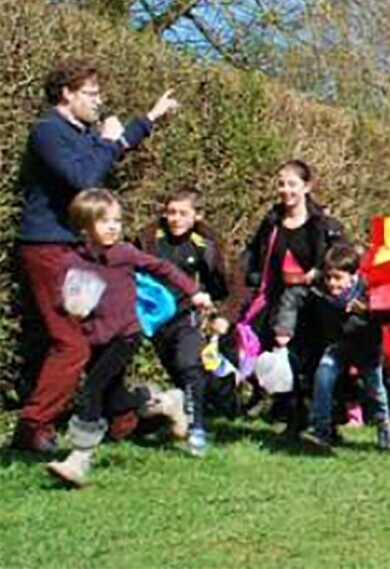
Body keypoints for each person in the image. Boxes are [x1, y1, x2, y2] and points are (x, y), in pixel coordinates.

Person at [12, 60, 180, 454]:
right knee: (71, 342)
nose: (98, 101)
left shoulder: (79, 132)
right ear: (67, 94)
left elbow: (109, 152)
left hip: (76, 250)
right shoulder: (48, 132)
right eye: (91, 93)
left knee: (108, 333)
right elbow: (85, 178)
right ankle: (32, 427)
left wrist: (149, 118)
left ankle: (122, 420)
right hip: (49, 248)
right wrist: (107, 141)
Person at [45, 189, 213, 487]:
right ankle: (164, 402)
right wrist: (69, 302)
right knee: (113, 398)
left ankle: (79, 459)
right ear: (84, 225)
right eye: (104, 221)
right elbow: (60, 295)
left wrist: (194, 291)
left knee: (92, 390)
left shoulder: (123, 253)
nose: (113, 227)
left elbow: (164, 267)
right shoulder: (71, 259)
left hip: (126, 334)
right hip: (94, 338)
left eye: (117, 221)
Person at [241, 160, 347, 433]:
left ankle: (325, 419)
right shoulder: (271, 221)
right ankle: (289, 415)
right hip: (277, 301)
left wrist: (321, 271)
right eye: (281, 183)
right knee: (276, 359)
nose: (285, 190)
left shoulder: (323, 224)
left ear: (307, 186)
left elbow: (343, 258)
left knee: (313, 364)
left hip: (315, 304)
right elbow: (255, 256)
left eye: (292, 184)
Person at [136, 187, 233, 456]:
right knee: (179, 374)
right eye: (171, 213)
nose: (176, 219)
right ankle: (186, 413)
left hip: (186, 316)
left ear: (196, 216)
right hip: (155, 320)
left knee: (188, 364)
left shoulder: (203, 246)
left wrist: (216, 310)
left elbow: (221, 284)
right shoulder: (148, 239)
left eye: (183, 213)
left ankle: (197, 429)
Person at [301, 245, 390, 452]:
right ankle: (321, 431)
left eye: (337, 278)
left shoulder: (367, 292)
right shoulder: (319, 291)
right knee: (323, 379)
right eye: (328, 278)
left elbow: (389, 314)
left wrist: (367, 311)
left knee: (375, 391)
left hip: (367, 348)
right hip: (337, 347)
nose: (332, 283)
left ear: (353, 276)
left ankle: (383, 425)